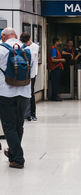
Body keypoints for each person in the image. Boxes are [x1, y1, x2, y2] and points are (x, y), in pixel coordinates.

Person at [0, 27, 34, 169]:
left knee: (9, 126)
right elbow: (31, 72)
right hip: (24, 93)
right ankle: (13, 155)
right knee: (19, 125)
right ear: (15, 35)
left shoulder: (1, 49)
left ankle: (18, 158)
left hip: (6, 92)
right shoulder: (27, 49)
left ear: (3, 37)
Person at [20, 32, 39, 121]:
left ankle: (32, 113)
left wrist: (31, 76)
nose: (24, 44)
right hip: (24, 73)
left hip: (32, 74)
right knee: (24, 92)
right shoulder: (22, 46)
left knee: (31, 93)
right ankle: (25, 113)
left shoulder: (35, 47)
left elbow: (33, 62)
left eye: (25, 42)